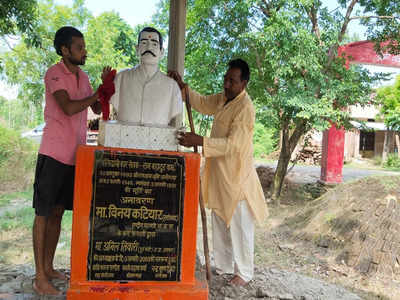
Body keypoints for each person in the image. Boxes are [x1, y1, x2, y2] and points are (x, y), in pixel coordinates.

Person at [168, 59, 268, 286]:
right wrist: (184, 88)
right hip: (220, 177)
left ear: (243, 83)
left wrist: (200, 141)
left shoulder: (245, 108)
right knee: (220, 222)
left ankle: (244, 273)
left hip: (237, 179)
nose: (226, 84)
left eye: (232, 81)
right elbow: (202, 103)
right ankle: (223, 266)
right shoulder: (224, 98)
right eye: (226, 79)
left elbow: (234, 145)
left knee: (240, 226)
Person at [32, 26, 104, 295]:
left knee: (58, 212)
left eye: (84, 47)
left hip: (76, 157)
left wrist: (105, 89)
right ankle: (39, 277)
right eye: (80, 47)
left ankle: (49, 268)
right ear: (65, 50)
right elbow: (69, 107)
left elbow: (94, 108)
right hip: (53, 154)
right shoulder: (54, 74)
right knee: (42, 214)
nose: (85, 51)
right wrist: (95, 96)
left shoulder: (83, 76)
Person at [109, 27, 182, 127]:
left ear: (162, 52)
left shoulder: (172, 87)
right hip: (125, 140)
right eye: (144, 43)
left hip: (157, 142)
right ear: (137, 49)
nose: (149, 47)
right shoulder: (121, 79)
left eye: (154, 44)